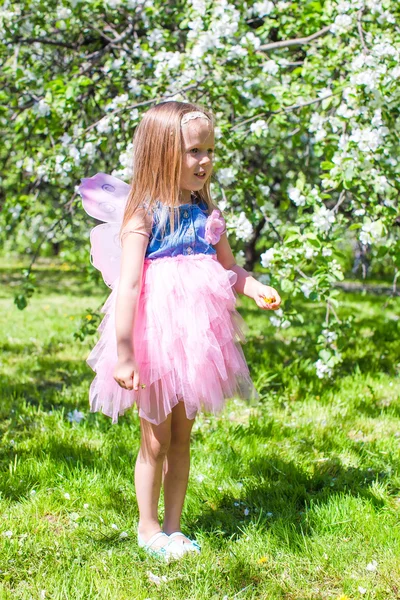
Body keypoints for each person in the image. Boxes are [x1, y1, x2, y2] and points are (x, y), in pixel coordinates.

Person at [80, 101, 281, 561]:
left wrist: (254, 287)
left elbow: (229, 268)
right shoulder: (143, 214)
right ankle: (147, 528)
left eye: (210, 150)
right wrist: (126, 352)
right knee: (156, 438)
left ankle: (173, 528)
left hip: (196, 343)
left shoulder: (205, 210)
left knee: (182, 438)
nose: (205, 160)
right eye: (194, 151)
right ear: (162, 152)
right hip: (155, 340)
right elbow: (129, 287)